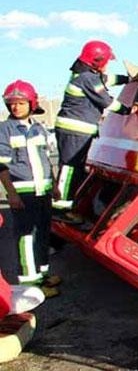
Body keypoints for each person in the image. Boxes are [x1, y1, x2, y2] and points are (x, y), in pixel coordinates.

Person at [52, 40, 138, 219]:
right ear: (98, 61)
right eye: (107, 61)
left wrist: (130, 79)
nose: (108, 64)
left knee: (74, 168)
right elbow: (107, 101)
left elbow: (106, 80)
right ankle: (59, 210)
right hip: (75, 131)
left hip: (74, 130)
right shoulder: (88, 79)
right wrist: (129, 110)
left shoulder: (84, 75)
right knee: (69, 168)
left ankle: (65, 206)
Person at [0, 80, 61, 297]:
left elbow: (45, 158)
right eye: (12, 103)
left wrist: (54, 185)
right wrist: (12, 194)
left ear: (31, 103)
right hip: (23, 193)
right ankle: (30, 284)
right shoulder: (5, 130)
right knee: (25, 237)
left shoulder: (38, 127)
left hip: (42, 191)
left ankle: (42, 274)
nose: (16, 107)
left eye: (21, 103)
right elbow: (2, 166)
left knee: (42, 232)